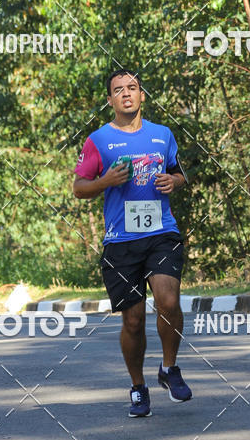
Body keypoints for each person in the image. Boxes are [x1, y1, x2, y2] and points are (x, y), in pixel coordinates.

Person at [73, 68, 191, 417]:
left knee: (168, 301)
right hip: (121, 241)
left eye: (133, 87)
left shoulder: (162, 135)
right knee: (134, 321)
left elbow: (179, 172)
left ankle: (169, 369)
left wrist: (174, 182)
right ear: (110, 100)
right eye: (118, 89)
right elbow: (79, 188)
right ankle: (138, 387)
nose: (126, 93)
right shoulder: (98, 140)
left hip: (161, 233)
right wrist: (105, 180)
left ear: (142, 96)